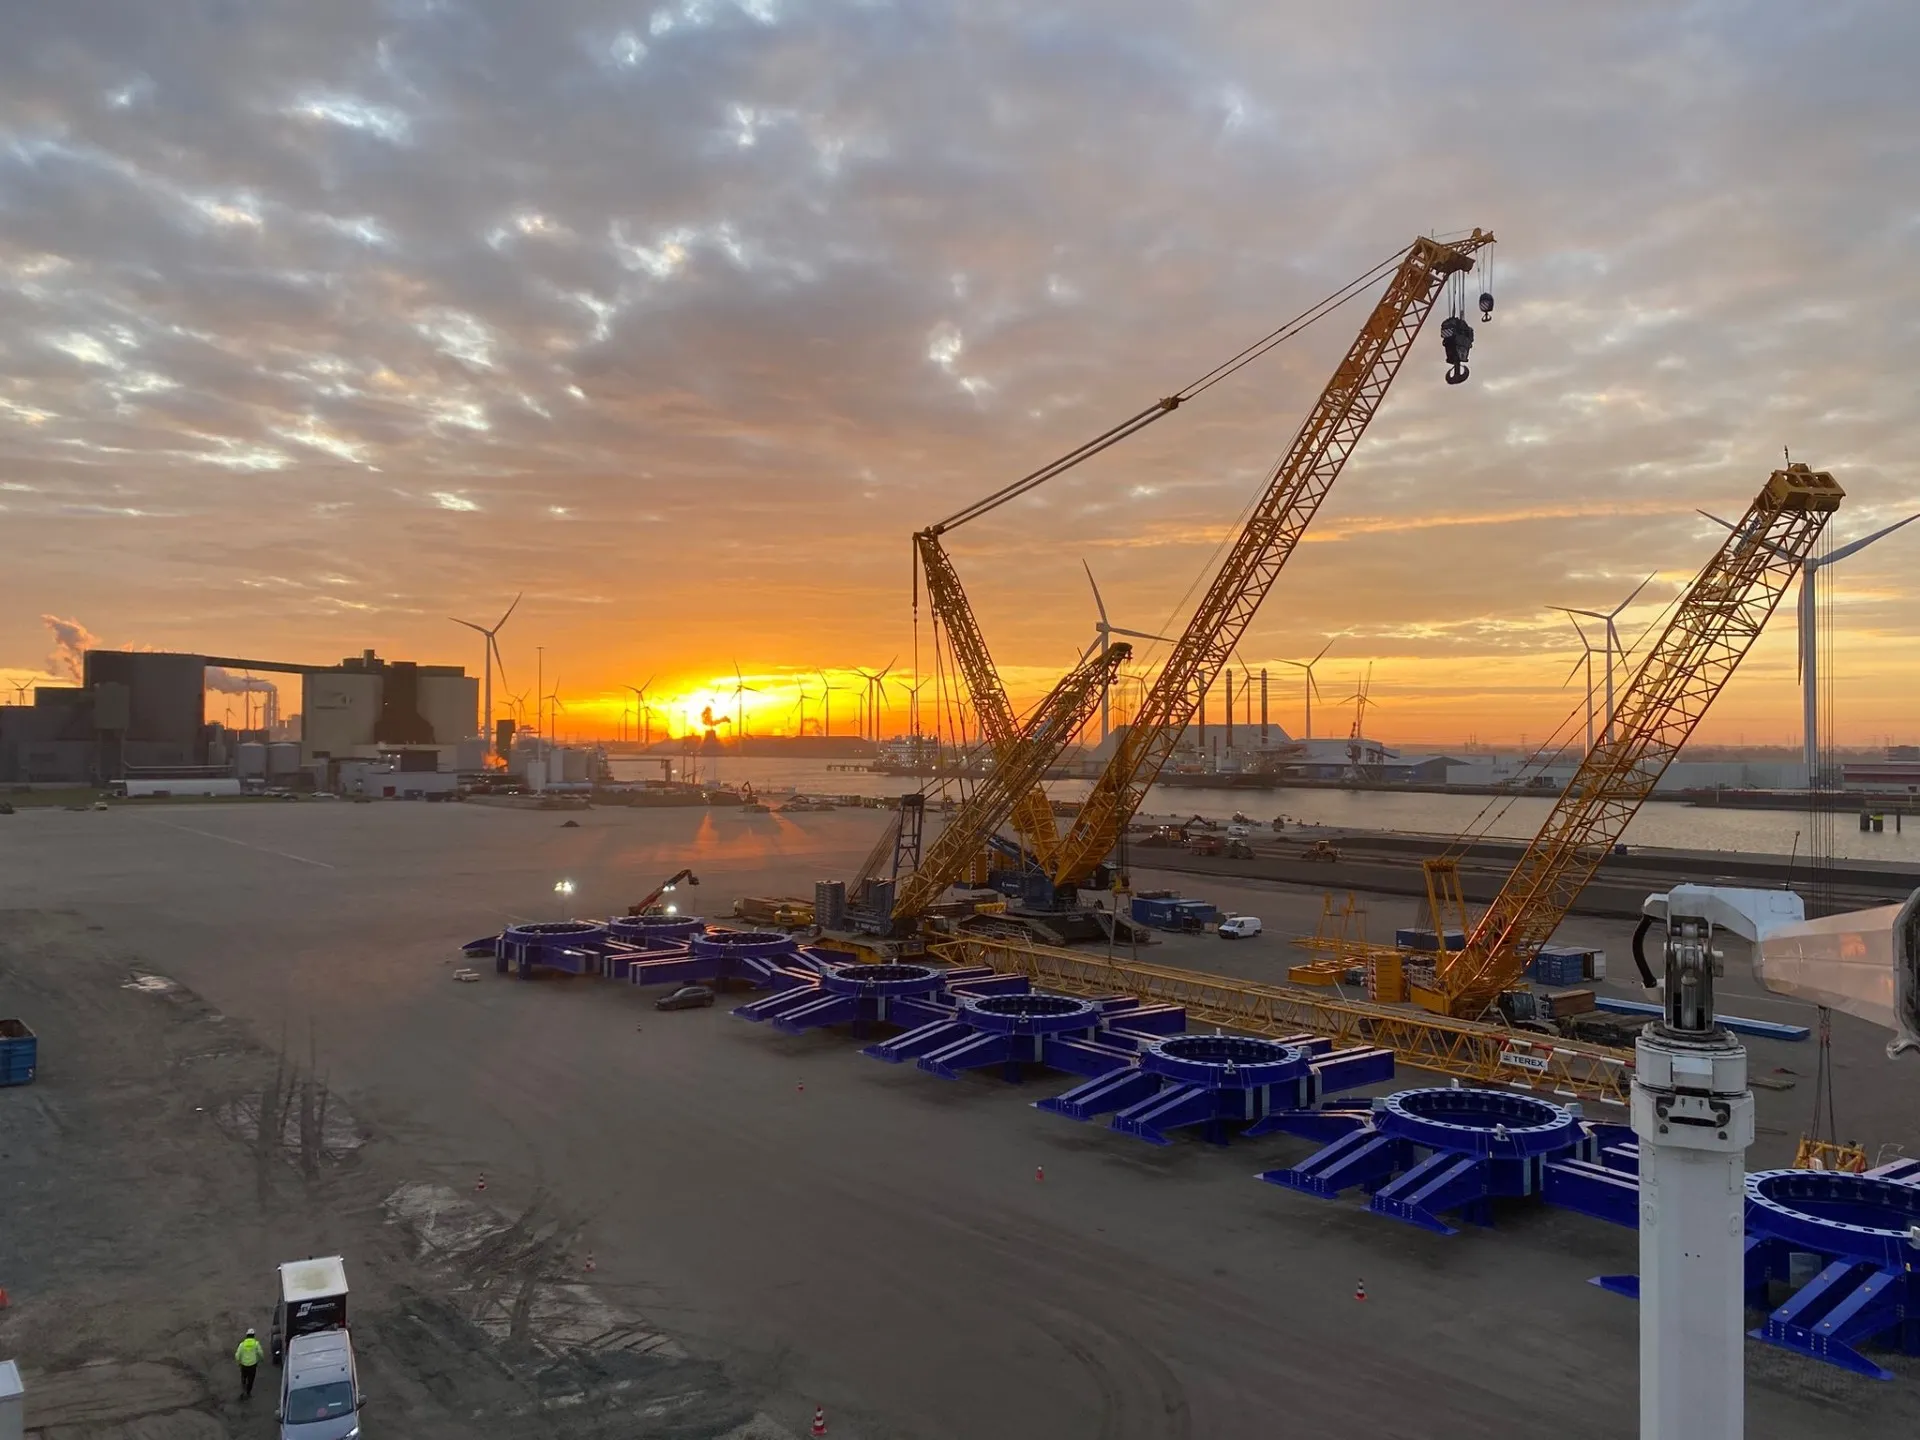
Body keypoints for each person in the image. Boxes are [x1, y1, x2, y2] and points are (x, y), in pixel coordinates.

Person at [235, 1328, 264, 1399]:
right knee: (251, 1379)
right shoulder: (256, 1344)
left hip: (244, 1365)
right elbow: (260, 1353)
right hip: (253, 1365)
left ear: (246, 1336)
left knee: (244, 1377)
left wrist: (238, 1362)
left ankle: (243, 1387)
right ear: (253, 1335)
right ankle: (248, 1392)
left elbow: (237, 1355)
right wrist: (261, 1360)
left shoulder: (242, 1345)